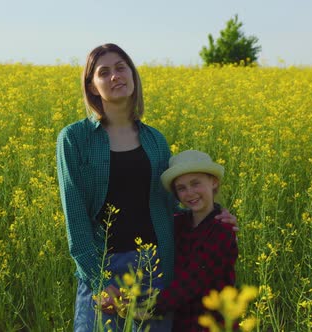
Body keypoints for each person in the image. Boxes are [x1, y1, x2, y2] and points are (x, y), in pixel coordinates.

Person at [56, 43, 237, 332]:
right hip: (102, 267)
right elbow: (75, 220)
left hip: (154, 266)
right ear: (92, 86)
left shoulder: (156, 140)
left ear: (133, 75)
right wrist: (101, 281)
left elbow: (169, 206)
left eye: (121, 68)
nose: (115, 76)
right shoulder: (74, 139)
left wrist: (213, 216)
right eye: (104, 72)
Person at [152, 149, 238, 331]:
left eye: (195, 183)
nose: (189, 193)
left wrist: (152, 307)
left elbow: (195, 278)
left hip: (213, 322)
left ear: (214, 182)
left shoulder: (223, 229)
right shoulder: (178, 223)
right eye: (181, 188)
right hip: (181, 320)